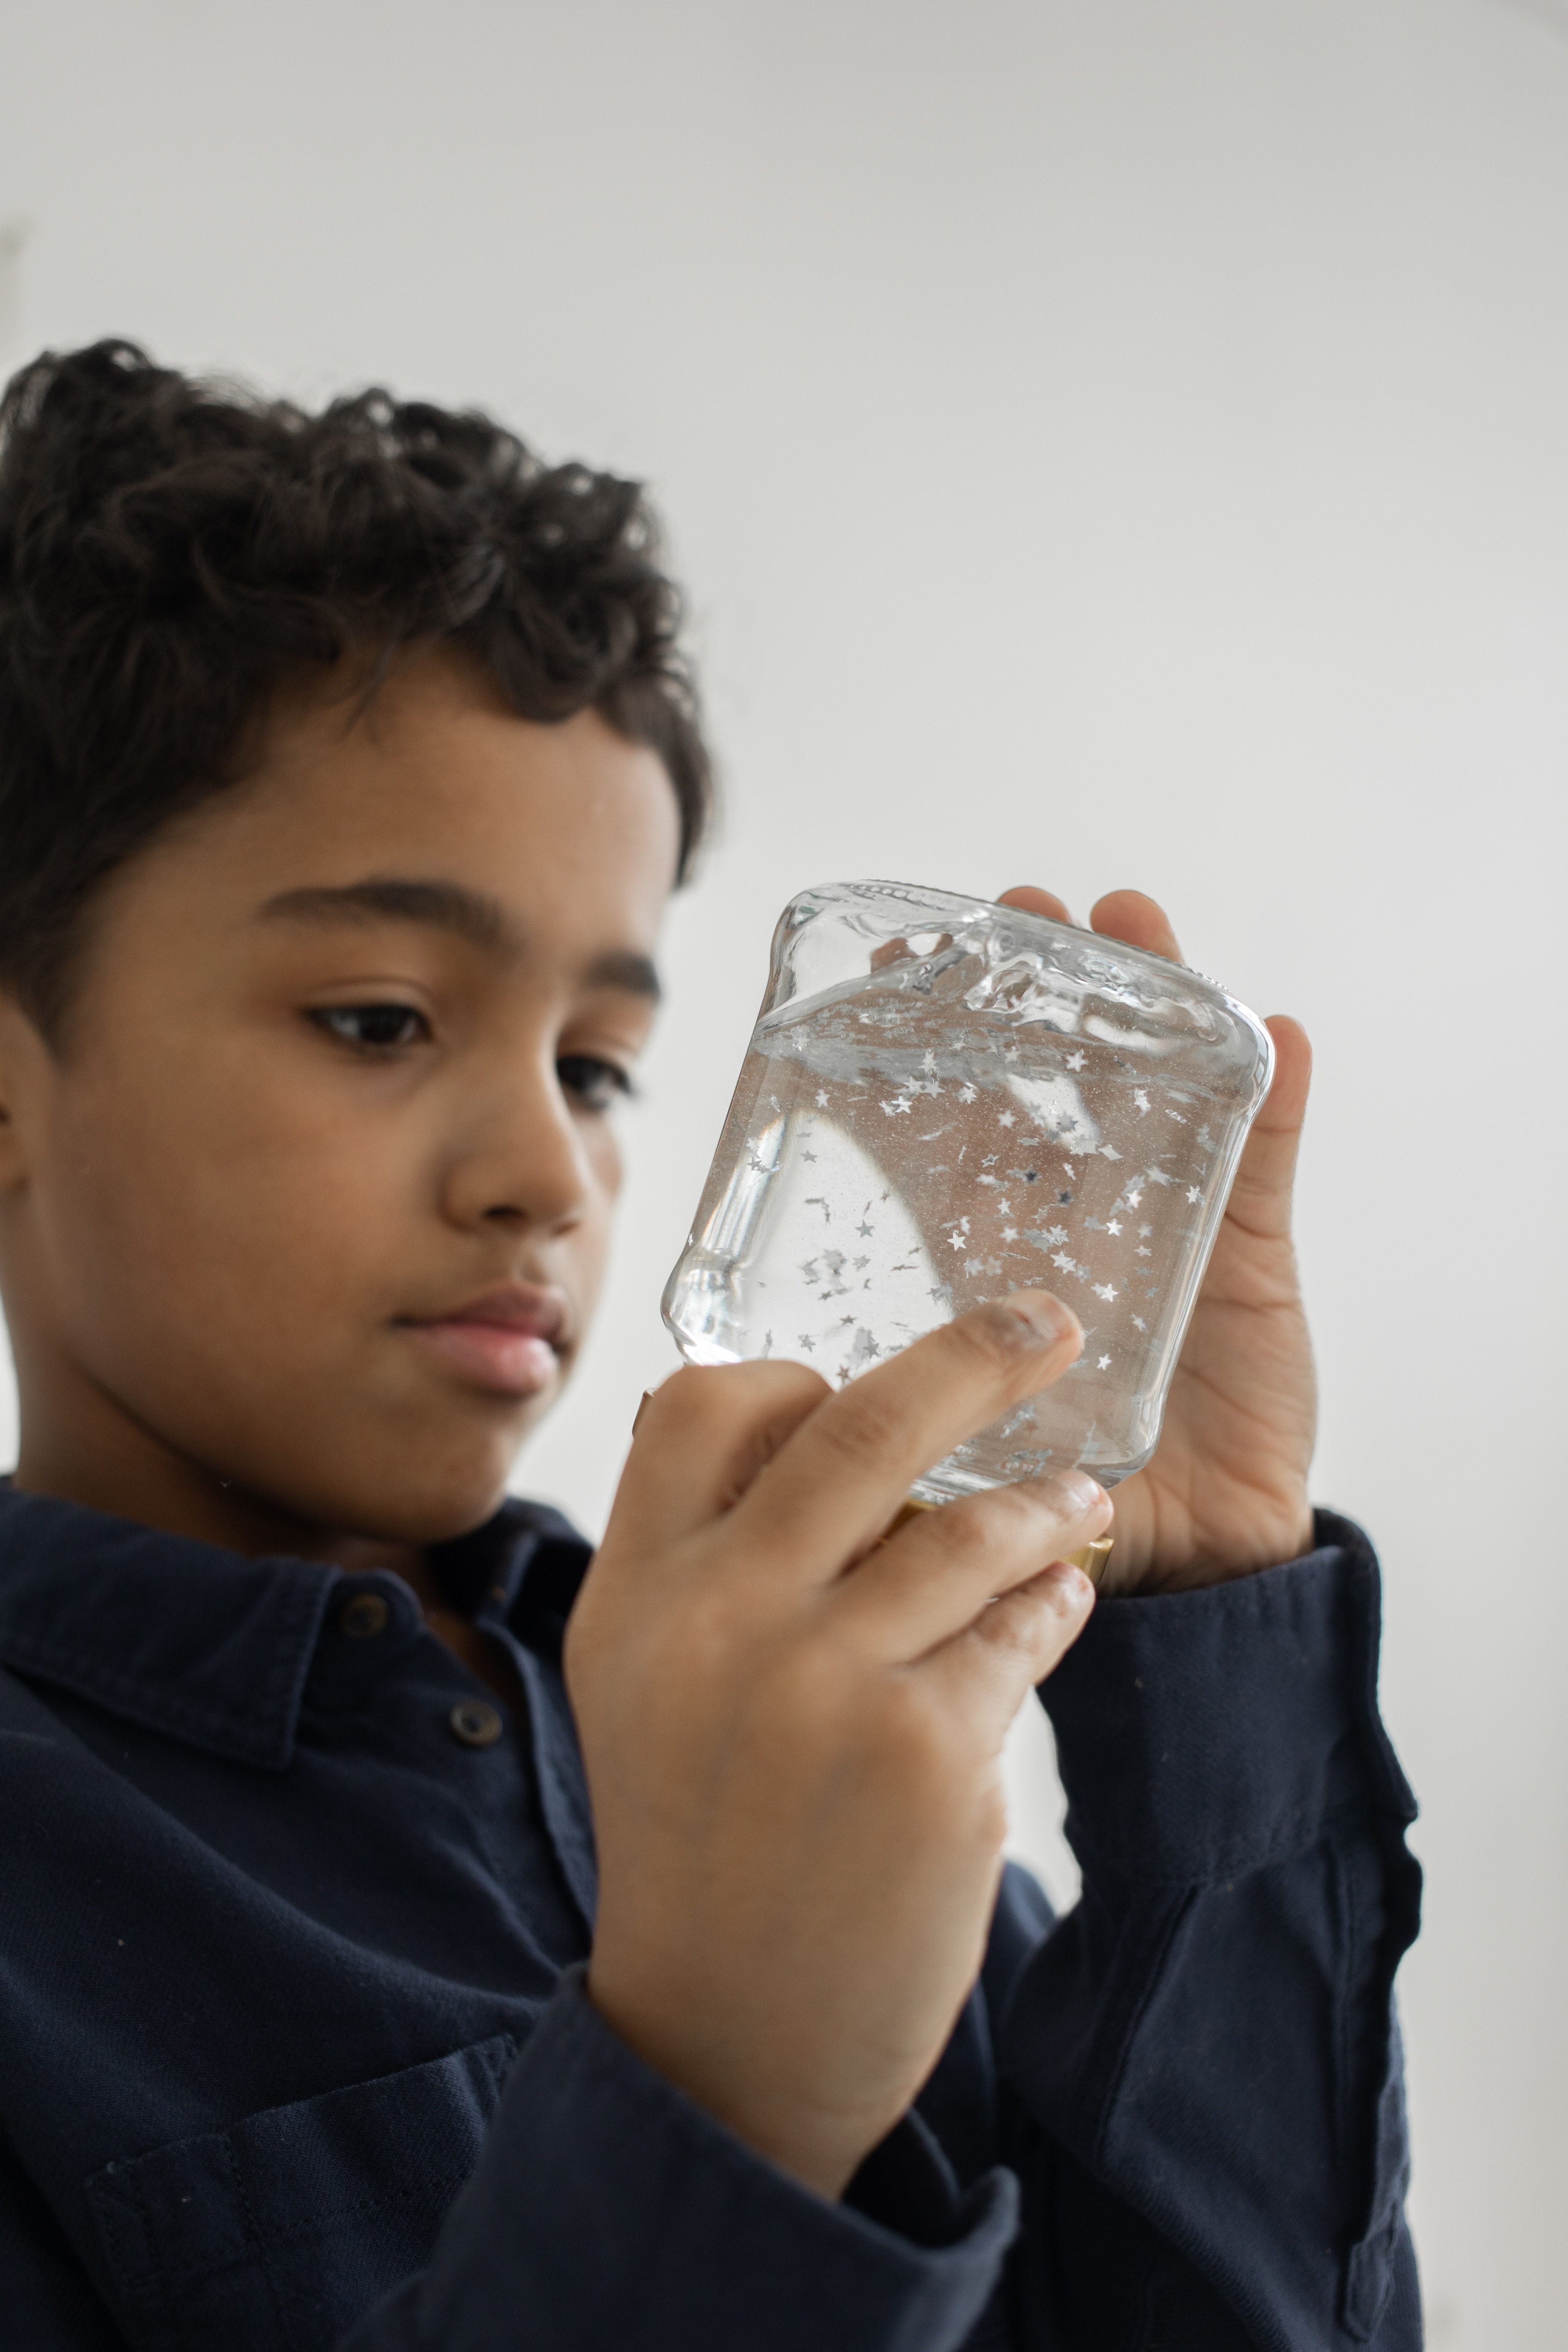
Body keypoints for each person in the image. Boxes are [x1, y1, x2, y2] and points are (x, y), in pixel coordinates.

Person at [0, 340, 1421, 2352]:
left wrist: (1208, 1652)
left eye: (601, 1064)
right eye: (382, 1019)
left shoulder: (784, 1728)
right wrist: (716, 2093)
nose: (546, 1172)